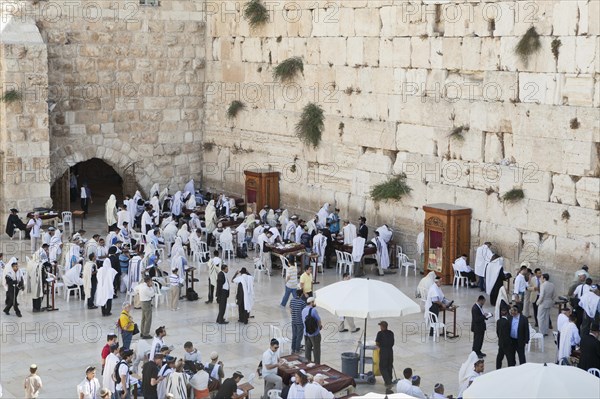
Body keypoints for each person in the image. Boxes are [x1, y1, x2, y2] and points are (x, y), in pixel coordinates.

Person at [375, 320, 395, 391]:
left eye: (380, 326)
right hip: (390, 351)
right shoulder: (391, 333)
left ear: (382, 327)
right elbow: (393, 343)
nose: (380, 327)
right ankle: (390, 379)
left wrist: (379, 346)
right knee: (389, 366)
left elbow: (377, 343)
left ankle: (388, 382)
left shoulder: (380, 333)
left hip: (384, 352)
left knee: (383, 367)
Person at [302, 297, 322, 364]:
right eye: (314, 302)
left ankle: (308, 364)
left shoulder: (303, 310)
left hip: (306, 333)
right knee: (316, 350)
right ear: (311, 302)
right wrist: (320, 327)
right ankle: (317, 364)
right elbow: (318, 320)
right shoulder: (313, 310)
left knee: (307, 350)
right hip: (314, 334)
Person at [290, 289, 307, 354]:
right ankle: (297, 350)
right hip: (300, 322)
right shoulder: (302, 302)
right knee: (299, 336)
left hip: (293, 321)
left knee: (294, 335)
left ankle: (293, 349)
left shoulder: (292, 300)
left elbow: (291, 311)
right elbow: (304, 312)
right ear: (301, 294)